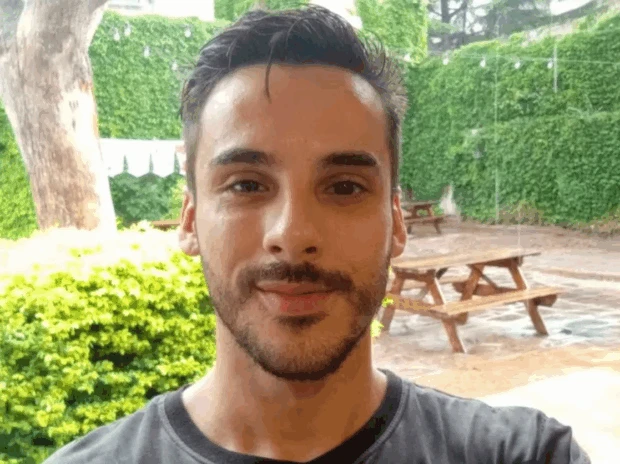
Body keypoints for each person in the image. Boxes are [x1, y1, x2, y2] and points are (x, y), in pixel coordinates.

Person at [44, 6, 590, 464]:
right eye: (246, 185)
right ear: (190, 221)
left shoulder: (526, 454)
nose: (293, 233)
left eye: (345, 187)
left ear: (397, 223)